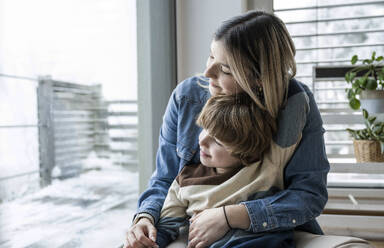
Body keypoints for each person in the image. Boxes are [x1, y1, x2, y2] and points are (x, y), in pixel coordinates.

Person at [125, 10, 329, 248]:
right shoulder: (187, 96)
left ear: (259, 79)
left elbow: (309, 194)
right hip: (194, 226)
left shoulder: (294, 106)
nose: (207, 73)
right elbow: (165, 179)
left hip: (266, 232)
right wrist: (145, 217)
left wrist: (231, 216)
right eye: (211, 56)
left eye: (226, 69)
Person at [154, 92, 302, 248]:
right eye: (204, 129)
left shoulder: (267, 165)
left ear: (246, 151)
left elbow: (297, 104)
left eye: (217, 141)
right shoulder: (185, 179)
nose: (202, 141)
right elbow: (167, 226)